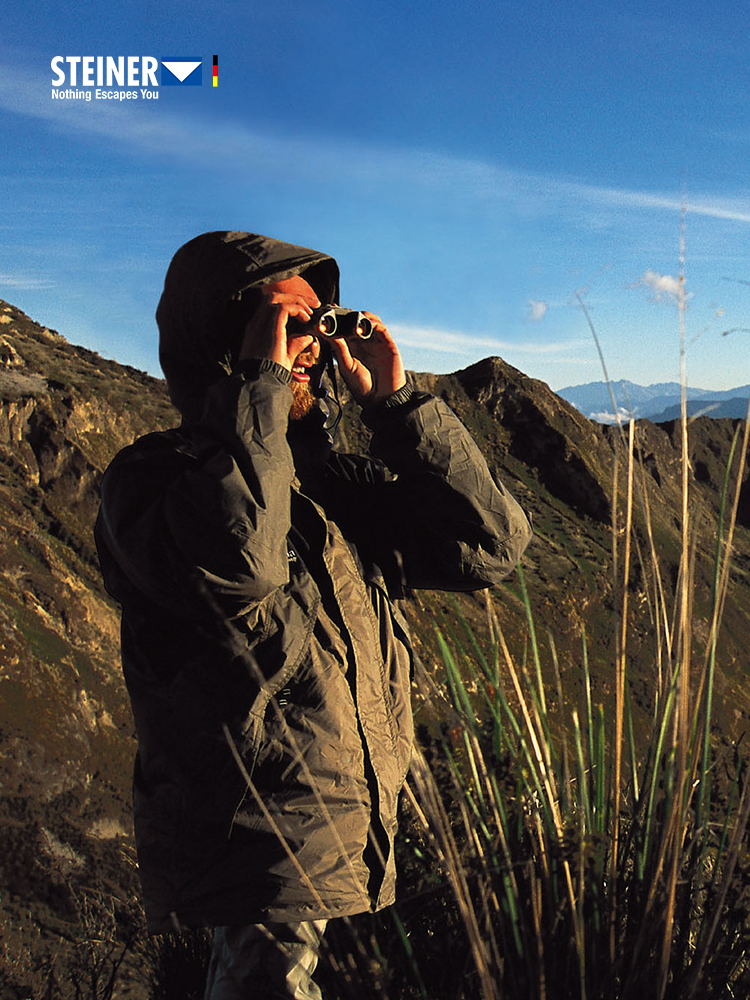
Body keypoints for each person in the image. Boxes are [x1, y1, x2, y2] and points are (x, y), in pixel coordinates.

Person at [95, 231, 532, 998]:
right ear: (218, 336)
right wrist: (261, 375)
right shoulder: (151, 481)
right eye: (288, 321)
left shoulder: (334, 487)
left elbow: (491, 545)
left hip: (361, 845)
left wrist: (398, 405)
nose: (310, 344)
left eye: (317, 322)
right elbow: (241, 559)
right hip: (262, 862)